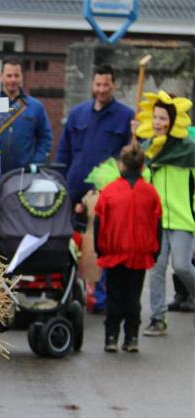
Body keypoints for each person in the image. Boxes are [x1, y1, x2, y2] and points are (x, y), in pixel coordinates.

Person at [136, 91, 195, 335]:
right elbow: (142, 183)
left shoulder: (189, 150)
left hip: (183, 219)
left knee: (182, 266)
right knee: (157, 269)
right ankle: (158, 319)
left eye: (163, 118)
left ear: (173, 121)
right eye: (155, 117)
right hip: (156, 221)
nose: (158, 123)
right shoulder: (147, 149)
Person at [94, 143, 161, 353]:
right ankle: (132, 337)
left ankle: (111, 337)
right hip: (140, 252)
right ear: (142, 167)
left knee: (114, 295)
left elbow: (99, 222)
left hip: (113, 251)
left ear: (121, 165)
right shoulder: (150, 193)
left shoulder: (109, 191)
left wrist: (99, 249)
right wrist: (155, 251)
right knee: (133, 296)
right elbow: (157, 223)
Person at [58, 64, 135, 205]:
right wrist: (61, 182)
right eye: (98, 85)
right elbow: (64, 152)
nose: (101, 90)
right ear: (92, 85)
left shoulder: (127, 117)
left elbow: (133, 156)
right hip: (74, 192)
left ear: (114, 86)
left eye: (106, 85)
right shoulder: (77, 114)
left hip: (107, 195)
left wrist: (138, 135)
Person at [0, 58, 53, 173]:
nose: (13, 80)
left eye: (16, 76)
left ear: (22, 77)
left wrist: (35, 162)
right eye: (9, 76)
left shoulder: (35, 106)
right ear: (1, 77)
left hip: (24, 173)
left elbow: (45, 138)